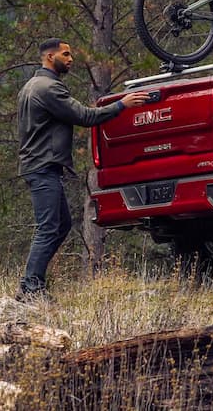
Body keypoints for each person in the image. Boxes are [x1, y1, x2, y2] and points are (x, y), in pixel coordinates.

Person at [16, 38, 149, 299]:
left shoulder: (30, 86)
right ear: (49, 57)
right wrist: (122, 105)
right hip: (43, 166)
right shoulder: (49, 88)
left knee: (61, 225)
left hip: (39, 165)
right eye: (65, 54)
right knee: (48, 227)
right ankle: (30, 287)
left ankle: (33, 283)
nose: (70, 59)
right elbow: (85, 116)